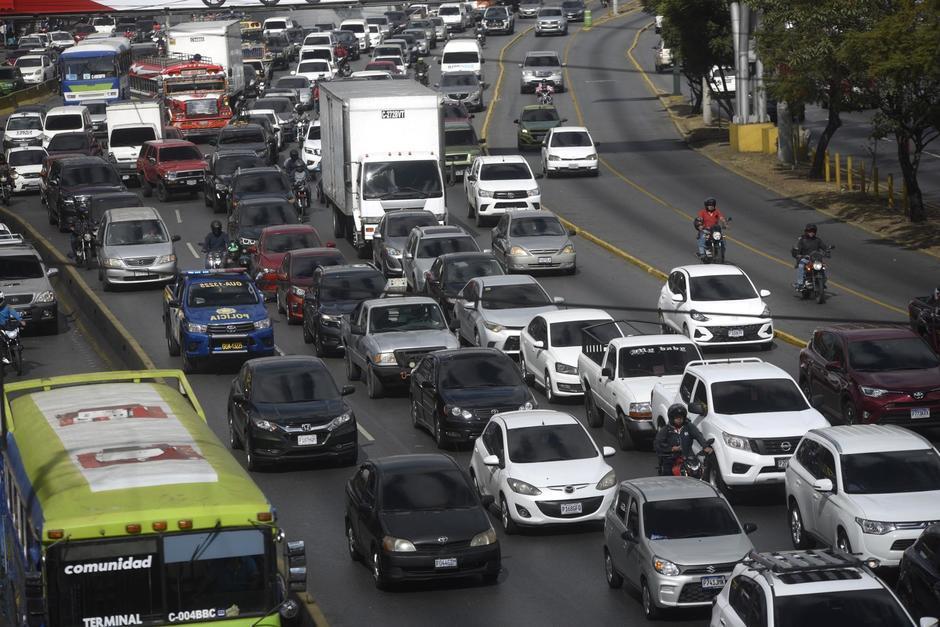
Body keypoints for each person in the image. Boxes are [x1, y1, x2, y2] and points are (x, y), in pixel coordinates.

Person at [654, 404, 712, 476]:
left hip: (687, 456)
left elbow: (698, 435)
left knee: (699, 471)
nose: (679, 420)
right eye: (677, 418)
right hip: (670, 458)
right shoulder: (665, 430)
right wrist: (671, 449)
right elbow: (657, 444)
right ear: (671, 418)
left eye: (681, 418)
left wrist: (705, 446)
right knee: (668, 474)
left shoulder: (689, 426)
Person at [791, 223, 829, 288]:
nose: (811, 233)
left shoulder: (818, 240)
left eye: (813, 231)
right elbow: (798, 249)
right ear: (806, 231)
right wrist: (798, 254)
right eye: (810, 231)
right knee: (801, 265)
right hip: (806, 259)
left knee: (823, 267)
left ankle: (822, 281)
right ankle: (799, 283)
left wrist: (827, 251)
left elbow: (824, 247)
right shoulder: (802, 240)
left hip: (816, 260)